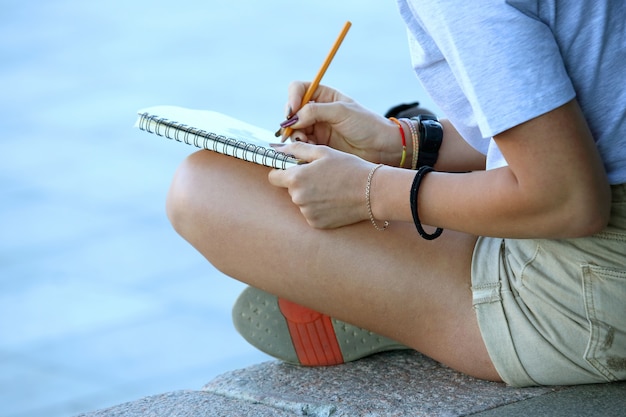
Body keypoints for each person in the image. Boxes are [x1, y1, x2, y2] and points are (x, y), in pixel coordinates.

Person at [165, 0, 626, 387]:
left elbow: (570, 200)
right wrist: (401, 143)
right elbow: (575, 122)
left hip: (588, 292)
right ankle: (396, 282)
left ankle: (386, 302)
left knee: (203, 187)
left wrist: (369, 189)